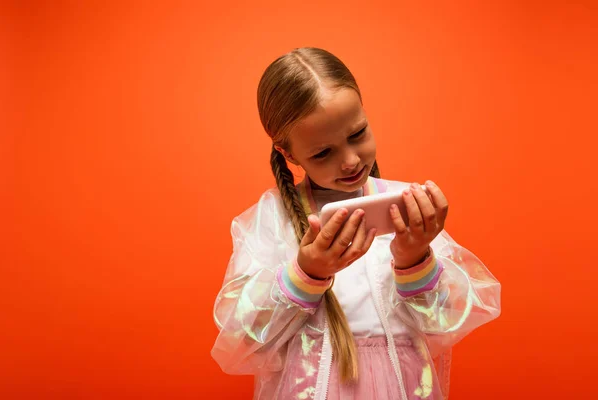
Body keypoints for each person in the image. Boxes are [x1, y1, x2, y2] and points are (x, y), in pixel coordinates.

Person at [211, 47, 501, 400]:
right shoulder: (272, 219)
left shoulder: (406, 206)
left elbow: (452, 318)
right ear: (288, 154)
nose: (350, 160)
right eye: (322, 153)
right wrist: (305, 273)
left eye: (358, 133)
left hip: (402, 386)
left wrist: (414, 258)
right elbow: (238, 341)